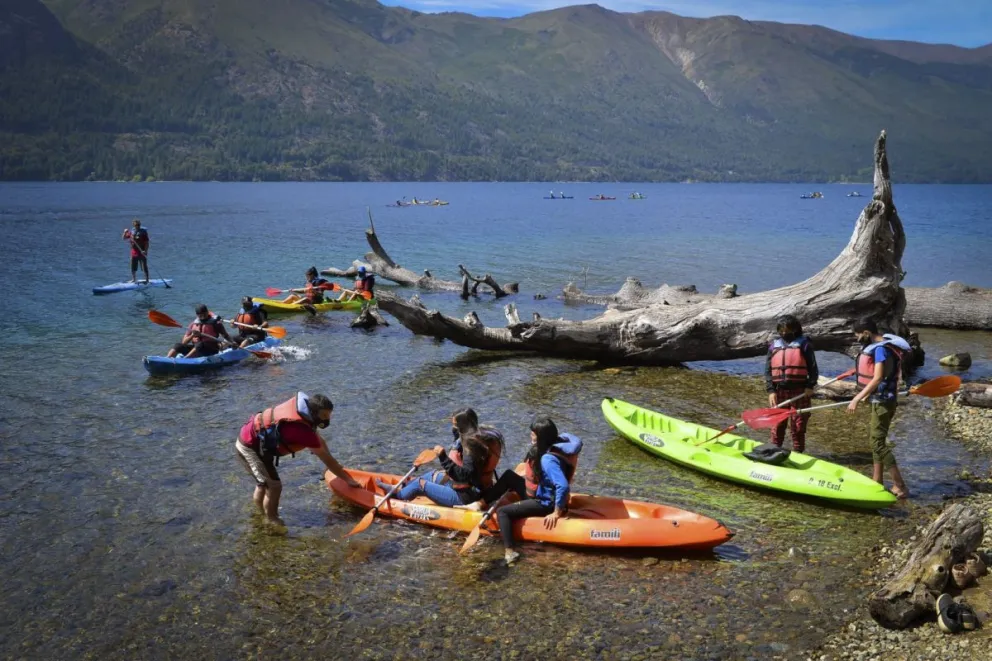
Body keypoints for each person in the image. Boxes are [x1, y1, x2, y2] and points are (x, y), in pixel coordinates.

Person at [236, 391, 360, 526]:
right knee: (274, 486)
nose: (326, 419)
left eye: (329, 415)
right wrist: (347, 479)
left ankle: (260, 515)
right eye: (324, 416)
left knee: (264, 482)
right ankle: (272, 520)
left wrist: (332, 465)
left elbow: (321, 443)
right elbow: (324, 457)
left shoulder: (305, 418)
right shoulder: (302, 431)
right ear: (314, 412)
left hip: (258, 441)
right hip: (249, 447)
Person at [488, 417, 582, 565]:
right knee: (509, 476)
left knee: (503, 512)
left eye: (533, 434)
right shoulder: (559, 446)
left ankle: (510, 552)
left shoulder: (547, 459)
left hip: (546, 504)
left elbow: (563, 486)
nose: (531, 436)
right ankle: (480, 501)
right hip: (547, 495)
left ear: (541, 437)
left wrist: (556, 512)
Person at [383, 408, 505, 507]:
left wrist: (443, 457)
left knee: (420, 484)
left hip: (465, 497)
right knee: (432, 475)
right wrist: (456, 435)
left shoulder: (471, 447)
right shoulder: (477, 438)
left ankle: (397, 497)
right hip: (468, 488)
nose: (454, 428)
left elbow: (465, 475)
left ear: (463, 426)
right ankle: (401, 488)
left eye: (455, 425)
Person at [847, 318, 911, 499]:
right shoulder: (880, 346)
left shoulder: (881, 350)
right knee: (876, 440)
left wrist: (857, 398)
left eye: (858, 335)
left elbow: (877, 378)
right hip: (879, 400)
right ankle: (877, 480)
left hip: (884, 401)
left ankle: (900, 486)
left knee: (877, 443)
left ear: (866, 333)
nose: (858, 338)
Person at [764, 314, 819, 453]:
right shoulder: (773, 346)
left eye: (787, 331)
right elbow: (768, 370)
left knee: (798, 427)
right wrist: (771, 391)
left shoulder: (804, 344)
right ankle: (774, 451)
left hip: (800, 391)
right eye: (781, 331)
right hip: (779, 391)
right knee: (777, 426)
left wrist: (810, 386)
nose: (784, 333)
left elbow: (813, 367)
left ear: (795, 329)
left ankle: (798, 453)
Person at [166, 304, 233, 358]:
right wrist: (192, 335)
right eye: (200, 315)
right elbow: (184, 342)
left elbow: (226, 336)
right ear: (197, 315)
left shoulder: (216, 323)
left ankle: (185, 359)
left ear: (207, 312)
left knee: (200, 344)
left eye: (204, 314)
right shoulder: (193, 324)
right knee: (178, 345)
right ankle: (167, 359)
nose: (203, 317)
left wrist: (233, 342)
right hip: (196, 349)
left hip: (211, 350)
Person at [122, 218, 149, 283]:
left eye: (138, 225)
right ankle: (134, 279)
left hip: (142, 251)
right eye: (136, 225)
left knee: (144, 266)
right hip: (134, 252)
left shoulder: (143, 232)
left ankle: (147, 280)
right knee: (133, 265)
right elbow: (124, 238)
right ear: (134, 225)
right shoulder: (132, 232)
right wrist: (125, 232)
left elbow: (147, 243)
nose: (137, 226)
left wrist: (145, 251)